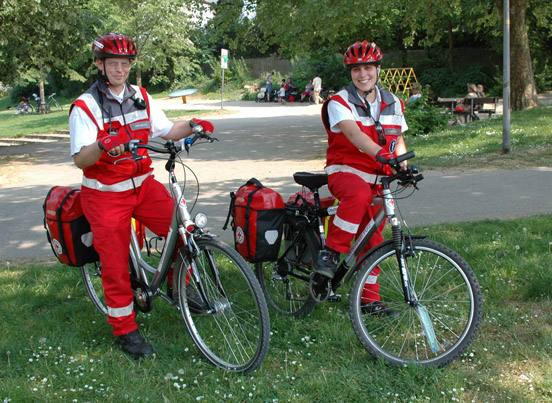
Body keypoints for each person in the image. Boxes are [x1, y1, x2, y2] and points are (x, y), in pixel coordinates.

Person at [69, 33, 215, 359]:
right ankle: (125, 330)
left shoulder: (141, 96)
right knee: (116, 264)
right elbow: (81, 158)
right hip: (106, 195)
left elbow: (166, 131)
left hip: (143, 185)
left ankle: (181, 288)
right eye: (112, 64)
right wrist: (102, 144)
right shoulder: (86, 106)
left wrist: (192, 125)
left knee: (182, 230)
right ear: (100, 65)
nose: (119, 69)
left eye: (124, 63)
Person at [316, 41, 409, 317]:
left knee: (374, 240)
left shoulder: (393, 102)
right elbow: (353, 134)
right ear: (351, 73)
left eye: (368, 67)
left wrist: (404, 167)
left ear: (378, 69)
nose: (362, 74)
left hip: (379, 177)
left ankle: (369, 300)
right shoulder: (339, 102)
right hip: (345, 171)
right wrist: (383, 154)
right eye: (356, 69)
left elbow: (399, 139)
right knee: (358, 195)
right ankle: (331, 253)